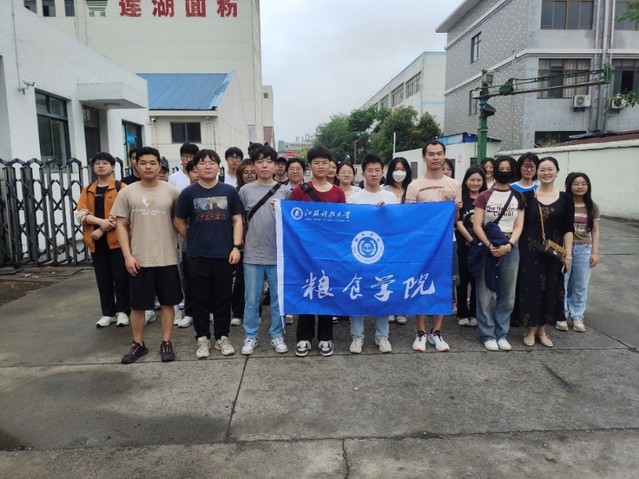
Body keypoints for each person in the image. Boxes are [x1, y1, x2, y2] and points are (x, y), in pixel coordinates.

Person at [112, 147, 183, 364]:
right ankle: (138, 344)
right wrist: (127, 255)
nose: (148, 167)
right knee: (138, 306)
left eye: (153, 163)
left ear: (160, 166)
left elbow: (181, 222)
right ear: (136, 165)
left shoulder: (172, 192)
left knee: (168, 303)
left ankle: (166, 341)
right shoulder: (127, 193)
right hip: (139, 259)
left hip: (167, 257)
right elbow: (120, 225)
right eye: (143, 163)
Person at [174, 149, 244, 359]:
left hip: (224, 254)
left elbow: (237, 220)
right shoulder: (188, 193)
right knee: (200, 299)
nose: (207, 166)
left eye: (212, 162)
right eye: (203, 163)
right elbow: (179, 221)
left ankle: (222, 336)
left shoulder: (229, 191)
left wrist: (236, 246)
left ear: (218, 166)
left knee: (223, 298)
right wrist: (192, 238)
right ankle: (202, 338)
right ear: (196, 167)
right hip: (197, 255)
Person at [290, 146, 346, 357]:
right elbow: (291, 219)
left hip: (329, 252)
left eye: (325, 162)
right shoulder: (299, 191)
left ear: (331, 165)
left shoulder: (338, 192)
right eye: (316, 162)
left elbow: (344, 223)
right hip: (305, 252)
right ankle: (303, 337)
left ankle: (325, 338)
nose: (321, 166)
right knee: (307, 290)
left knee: (325, 293)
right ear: (310, 166)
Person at [406, 140, 461, 352]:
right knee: (420, 284)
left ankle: (436, 332)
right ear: (424, 157)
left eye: (439, 153)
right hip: (422, 245)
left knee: (443, 286)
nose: (435, 157)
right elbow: (410, 218)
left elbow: (455, 220)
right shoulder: (414, 186)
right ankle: (420, 331)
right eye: (431, 154)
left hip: (447, 242)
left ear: (444, 156)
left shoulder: (454, 184)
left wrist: (456, 209)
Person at [516, 157, 574, 347]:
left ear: (557, 172)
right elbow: (519, 225)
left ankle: (542, 330)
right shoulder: (527, 197)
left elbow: (568, 229)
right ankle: (530, 330)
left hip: (553, 253)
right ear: (537, 172)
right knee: (530, 289)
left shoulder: (566, 198)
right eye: (542, 169)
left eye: (550, 169)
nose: (546, 173)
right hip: (529, 252)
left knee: (551, 288)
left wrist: (568, 254)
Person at [239, 145, 291, 355]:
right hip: (253, 254)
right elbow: (240, 222)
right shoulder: (245, 191)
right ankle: (250, 335)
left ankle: (277, 334)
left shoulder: (285, 191)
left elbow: (292, 222)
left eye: (269, 161)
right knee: (252, 299)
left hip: (278, 255)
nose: (264, 166)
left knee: (278, 299)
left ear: (275, 165)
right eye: (259, 162)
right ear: (253, 165)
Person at [472, 156, 525, 351]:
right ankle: (487, 334)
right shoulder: (484, 196)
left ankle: (501, 333)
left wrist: (509, 245)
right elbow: (477, 225)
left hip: (510, 248)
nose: (504, 172)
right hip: (487, 247)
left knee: (508, 294)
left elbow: (519, 225)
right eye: (500, 168)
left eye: (508, 169)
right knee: (484, 294)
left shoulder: (519, 197)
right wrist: (490, 246)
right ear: (494, 171)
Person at [348, 154, 397, 353]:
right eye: (370, 170)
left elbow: (397, 225)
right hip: (359, 251)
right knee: (358, 293)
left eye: (377, 170)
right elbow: (350, 226)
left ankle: (382, 337)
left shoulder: (390, 197)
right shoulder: (354, 198)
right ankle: (357, 337)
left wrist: (386, 213)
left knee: (383, 291)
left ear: (382, 172)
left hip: (384, 253)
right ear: (363, 173)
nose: (374, 174)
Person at [76, 152, 130, 328]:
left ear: (112, 167)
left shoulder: (121, 187)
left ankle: (123, 311)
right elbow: (80, 213)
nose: (100, 166)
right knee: (103, 278)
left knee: (121, 278)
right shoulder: (88, 189)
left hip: (118, 241)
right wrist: (100, 223)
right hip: (96, 243)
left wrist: (101, 229)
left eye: (105, 163)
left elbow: (124, 213)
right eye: (97, 163)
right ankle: (108, 313)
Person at [561, 172, 600, 332]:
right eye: (576, 184)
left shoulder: (592, 206)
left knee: (580, 285)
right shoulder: (564, 203)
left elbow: (595, 230)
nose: (580, 187)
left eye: (583, 183)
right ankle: (562, 315)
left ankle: (577, 316)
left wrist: (595, 252)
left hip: (584, 248)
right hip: (564, 248)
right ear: (569, 186)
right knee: (563, 283)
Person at [455, 166, 487, 327]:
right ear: (466, 181)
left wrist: (479, 241)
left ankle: (474, 313)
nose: (475, 183)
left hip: (482, 246)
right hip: (464, 245)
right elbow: (458, 222)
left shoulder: (487, 199)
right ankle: (462, 313)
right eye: (472, 180)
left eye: (479, 180)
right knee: (462, 280)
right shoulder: (461, 200)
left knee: (477, 281)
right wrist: (471, 239)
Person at [230, 158, 256, 326]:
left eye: (252, 172)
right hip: (239, 241)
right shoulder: (234, 192)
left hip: (257, 240)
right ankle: (238, 312)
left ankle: (256, 312)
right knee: (239, 279)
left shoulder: (263, 191)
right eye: (246, 172)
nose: (249, 175)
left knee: (256, 282)